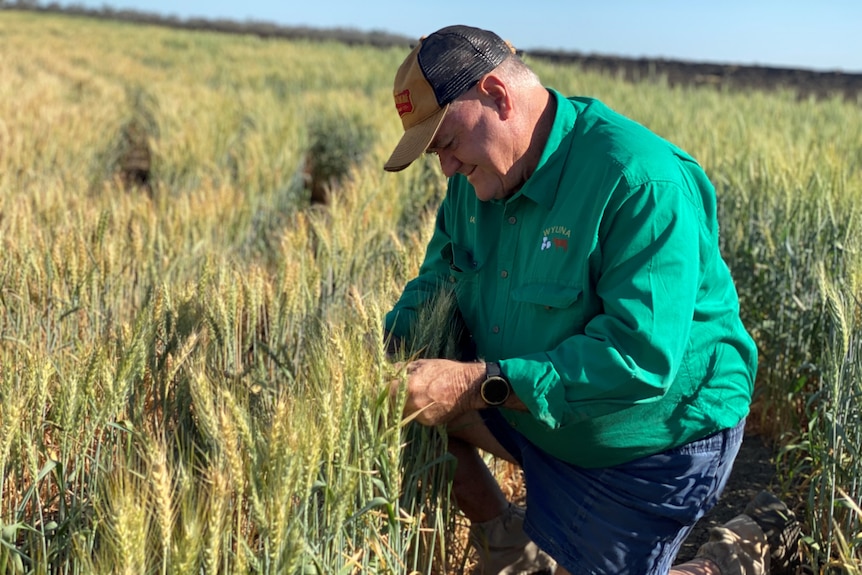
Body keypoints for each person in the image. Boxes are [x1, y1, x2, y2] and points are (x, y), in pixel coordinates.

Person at [383, 25, 799, 575]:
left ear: (497, 95)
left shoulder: (639, 181)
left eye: (448, 143)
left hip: (652, 443)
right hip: (535, 414)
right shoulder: (473, 186)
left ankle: (742, 549)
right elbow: (436, 286)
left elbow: (639, 357)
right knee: (409, 413)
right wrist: (380, 356)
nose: (446, 168)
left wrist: (474, 383)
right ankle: (514, 551)